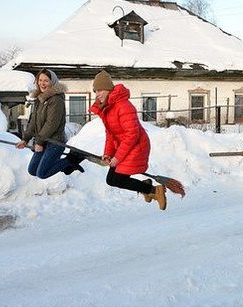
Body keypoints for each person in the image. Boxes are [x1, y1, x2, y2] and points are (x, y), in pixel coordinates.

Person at [89, 70, 167, 210]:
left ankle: (155, 191)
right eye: (96, 91)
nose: (97, 94)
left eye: (100, 90)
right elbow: (110, 134)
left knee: (117, 179)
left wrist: (118, 157)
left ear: (109, 89)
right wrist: (108, 153)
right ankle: (147, 187)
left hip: (137, 146)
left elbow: (132, 134)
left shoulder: (123, 106)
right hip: (124, 146)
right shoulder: (108, 108)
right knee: (111, 180)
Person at [16, 69, 85, 178]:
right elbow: (33, 122)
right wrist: (25, 139)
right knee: (32, 170)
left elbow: (51, 124)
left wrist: (38, 142)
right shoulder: (40, 99)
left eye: (46, 81)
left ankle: (71, 160)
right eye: (40, 80)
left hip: (55, 142)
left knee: (42, 173)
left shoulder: (56, 100)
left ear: (52, 82)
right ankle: (67, 166)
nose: (42, 83)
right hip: (43, 141)